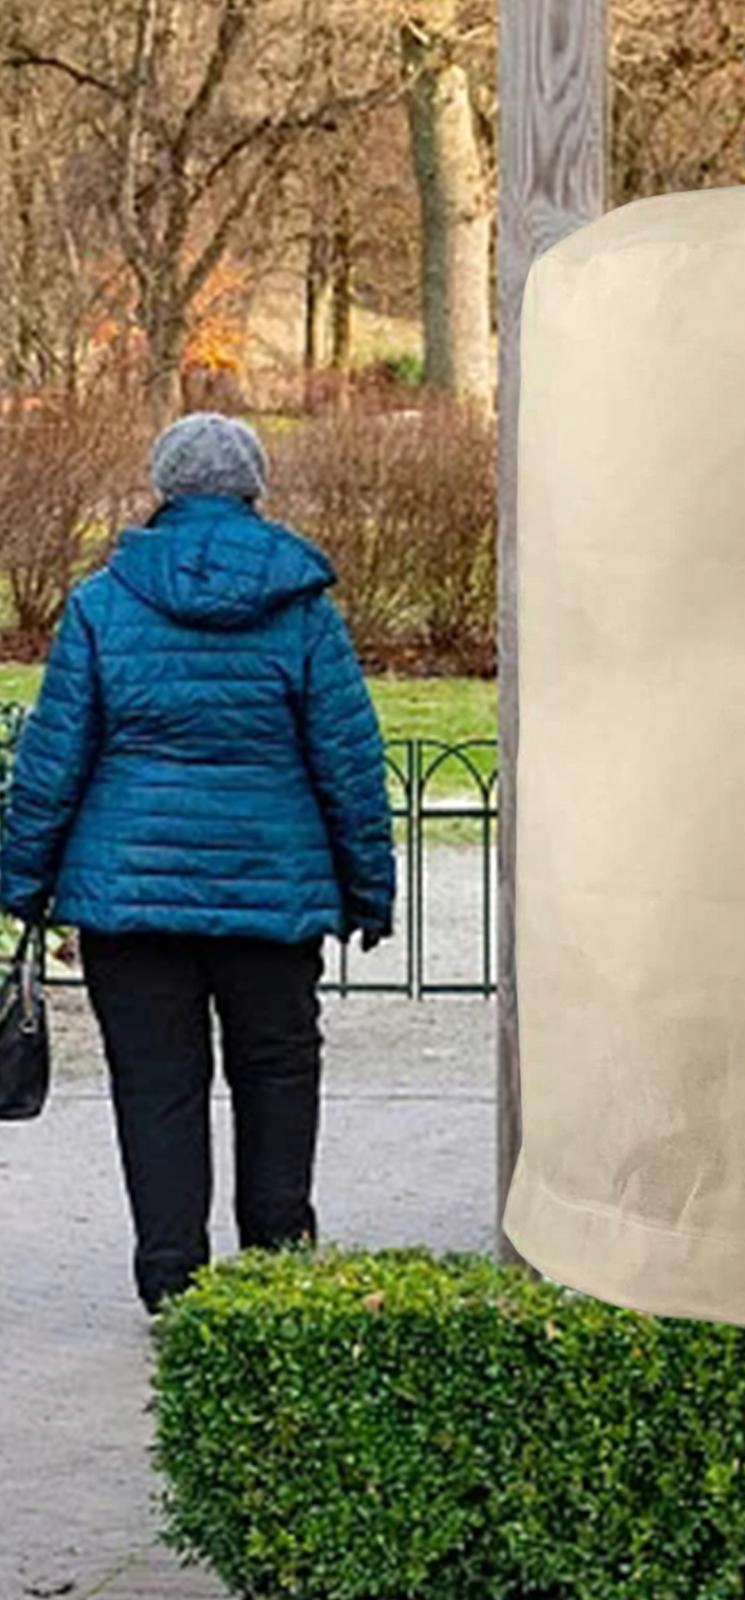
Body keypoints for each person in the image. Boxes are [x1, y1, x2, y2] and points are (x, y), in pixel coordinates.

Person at [0, 411, 397, 1315]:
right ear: (254, 488)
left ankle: (173, 1282)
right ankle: (276, 1277)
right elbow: (348, 759)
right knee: (278, 1074)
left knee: (156, 1088)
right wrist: (367, 888)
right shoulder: (303, 610)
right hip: (272, 896)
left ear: (163, 487)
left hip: (132, 903)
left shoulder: (103, 603)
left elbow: (55, 759)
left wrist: (24, 883)